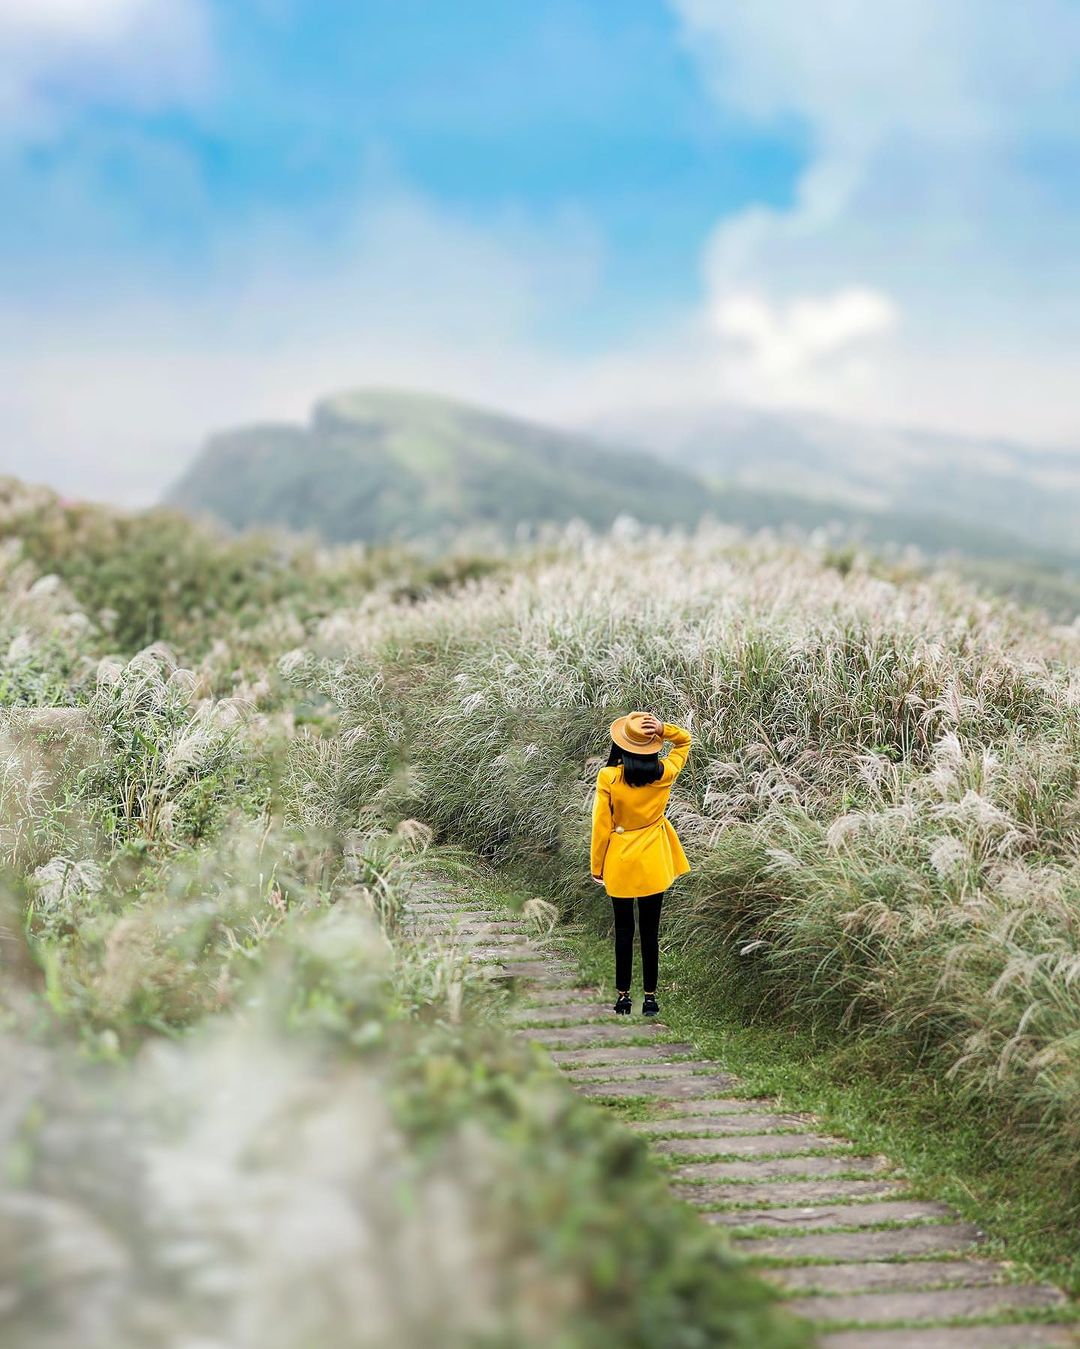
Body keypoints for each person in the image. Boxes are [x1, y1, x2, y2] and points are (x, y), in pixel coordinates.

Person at [590, 711, 692, 1016]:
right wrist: (664, 729)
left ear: (620, 746)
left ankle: (623, 998)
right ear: (653, 745)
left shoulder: (609, 777)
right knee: (650, 930)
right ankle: (650, 998)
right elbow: (685, 741)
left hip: (620, 860)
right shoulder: (665, 773)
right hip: (653, 859)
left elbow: (601, 826)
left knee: (623, 929)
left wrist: (597, 867)